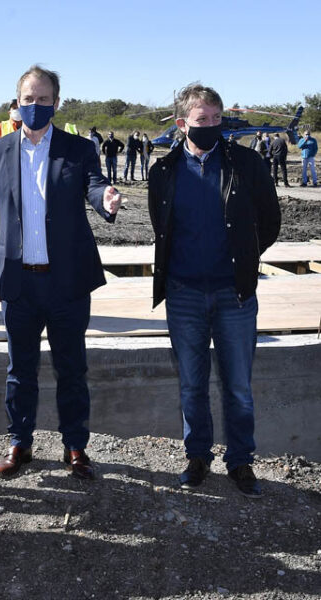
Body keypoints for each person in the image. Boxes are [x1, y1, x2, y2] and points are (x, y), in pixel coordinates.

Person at [0, 65, 122, 482]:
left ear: (56, 103)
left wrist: (106, 197)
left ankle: (75, 446)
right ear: (17, 102)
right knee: (19, 370)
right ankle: (19, 442)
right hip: (18, 281)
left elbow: (93, 184)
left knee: (71, 369)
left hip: (67, 282)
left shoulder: (78, 149)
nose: (35, 105)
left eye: (43, 99)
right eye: (29, 99)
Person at [148, 83, 280, 498]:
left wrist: (243, 256)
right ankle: (198, 457)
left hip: (233, 293)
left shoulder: (246, 163)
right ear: (181, 123)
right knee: (192, 384)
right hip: (184, 293)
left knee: (238, 386)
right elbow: (161, 226)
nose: (210, 126)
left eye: (216, 119)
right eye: (201, 119)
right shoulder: (163, 172)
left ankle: (240, 461)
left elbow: (270, 221)